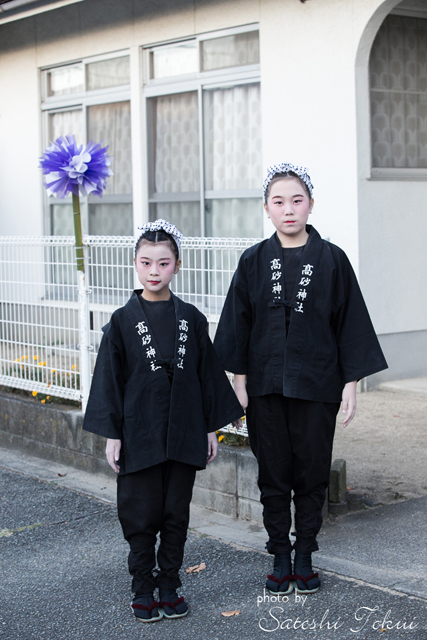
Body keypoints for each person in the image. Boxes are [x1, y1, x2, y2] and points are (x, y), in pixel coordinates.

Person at [213, 163, 387, 595]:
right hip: (265, 389)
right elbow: (237, 324)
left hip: (317, 386)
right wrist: (239, 383)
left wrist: (349, 385)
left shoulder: (332, 259)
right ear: (266, 210)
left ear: (310, 204)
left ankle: (305, 554)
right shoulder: (253, 261)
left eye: (297, 200)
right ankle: (279, 556)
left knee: (311, 473)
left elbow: (350, 325)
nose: (288, 210)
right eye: (279, 202)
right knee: (272, 474)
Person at [83, 219, 242, 623]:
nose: (154, 271)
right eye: (146, 262)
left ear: (178, 265)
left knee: (175, 511)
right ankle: (142, 586)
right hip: (139, 431)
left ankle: (169, 583)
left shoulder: (191, 318)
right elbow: (108, 381)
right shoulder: (121, 321)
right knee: (139, 513)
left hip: (185, 429)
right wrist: (112, 434)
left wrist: (210, 427)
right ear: (135, 264)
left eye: (164, 263)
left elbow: (207, 377)